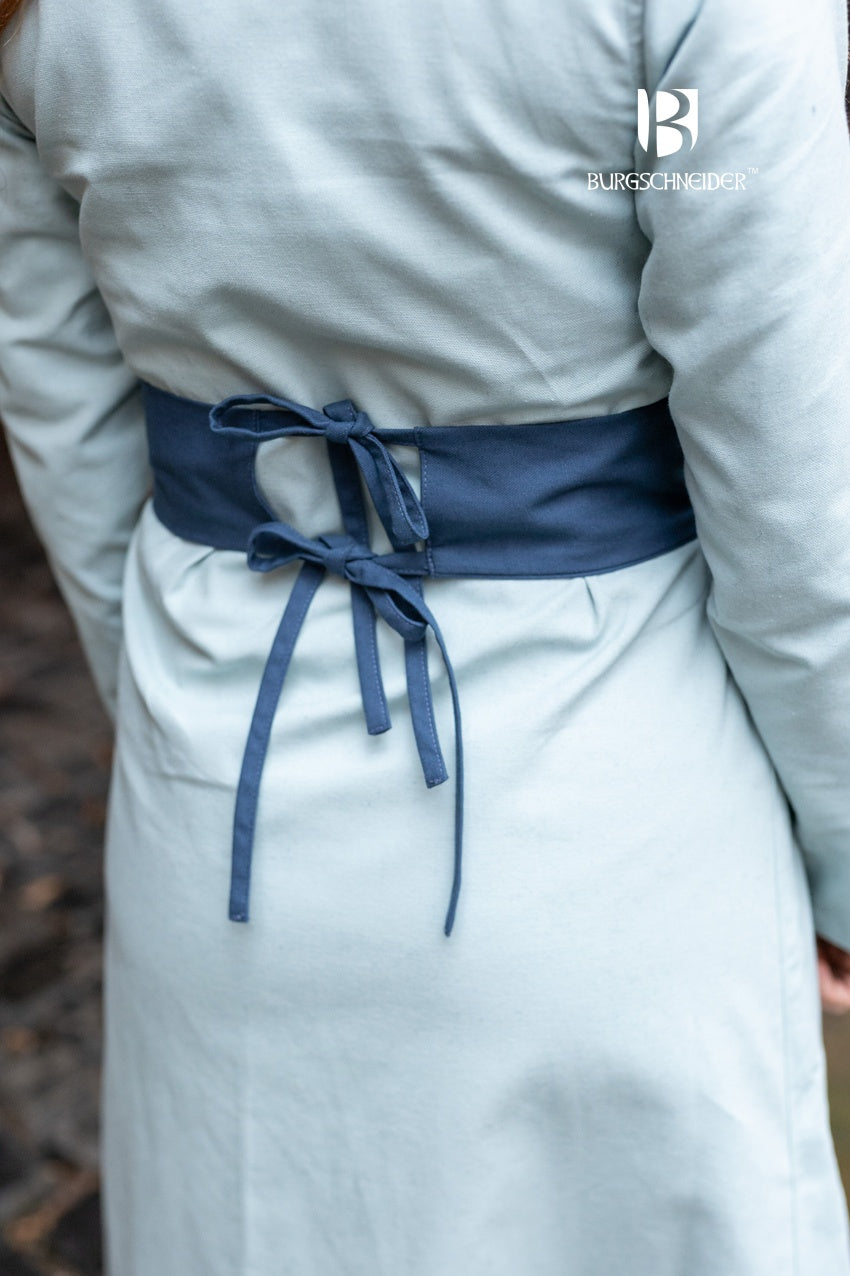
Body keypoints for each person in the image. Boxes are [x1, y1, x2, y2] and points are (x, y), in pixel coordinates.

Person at [2, 0, 850, 1271]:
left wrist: (183, 724)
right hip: (617, 807)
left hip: (225, 791)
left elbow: (66, 426)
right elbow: (792, 484)